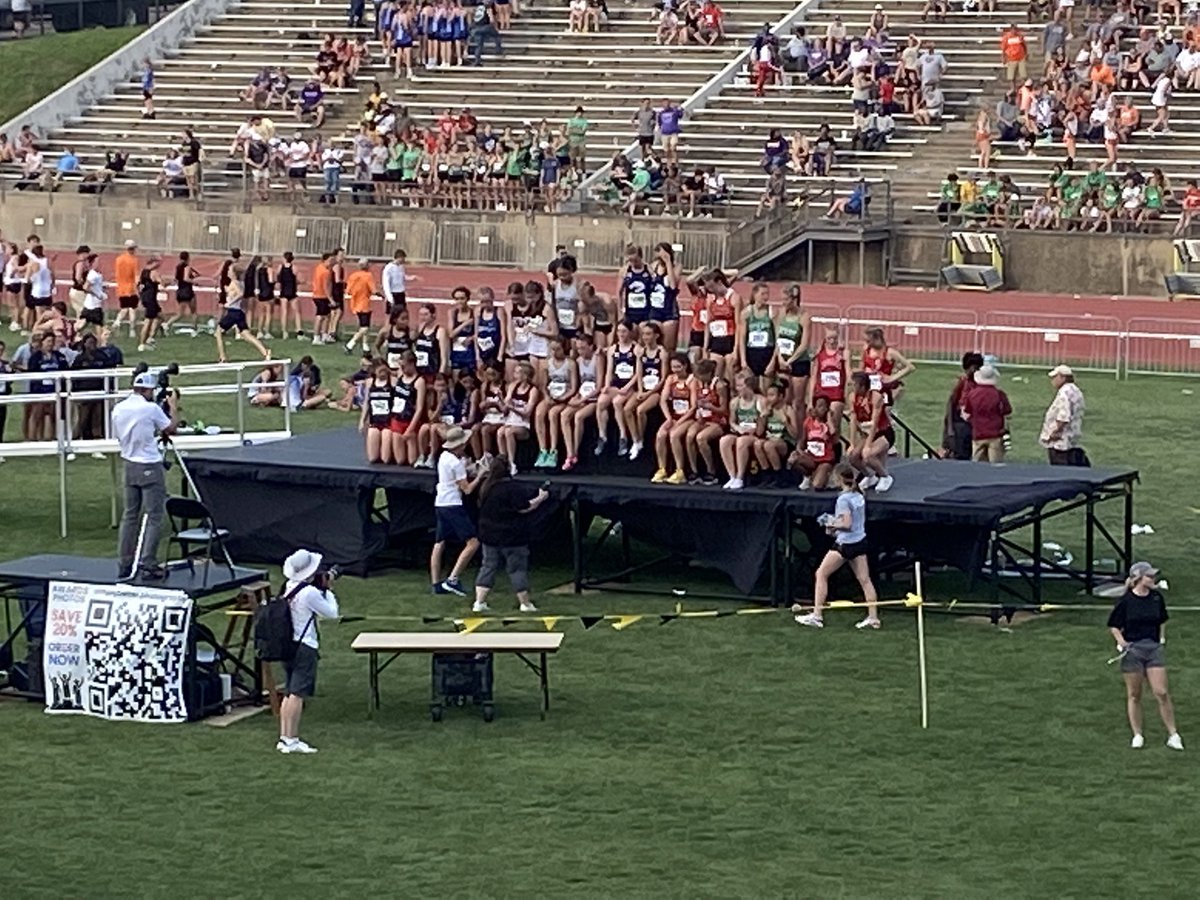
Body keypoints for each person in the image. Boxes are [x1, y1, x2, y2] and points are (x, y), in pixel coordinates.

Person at [793, 463, 880, 630]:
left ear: (839, 479)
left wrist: (831, 523)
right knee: (865, 580)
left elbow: (846, 523)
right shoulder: (859, 496)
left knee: (821, 574)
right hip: (860, 541)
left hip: (846, 544)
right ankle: (873, 617)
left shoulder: (843, 499)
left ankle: (817, 615)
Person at [1108, 561, 1183, 751]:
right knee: (1134, 694)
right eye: (1149, 576)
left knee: (1161, 692)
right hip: (1133, 650)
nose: (1153, 579)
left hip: (1153, 649)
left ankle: (1173, 734)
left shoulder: (1156, 598)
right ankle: (1138, 734)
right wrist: (1121, 642)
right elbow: (1114, 625)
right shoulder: (1126, 601)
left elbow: (1162, 620)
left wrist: (1161, 638)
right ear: (1139, 578)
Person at [112, 372, 177, 579]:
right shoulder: (150, 409)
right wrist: (174, 406)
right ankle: (148, 561)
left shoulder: (119, 408)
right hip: (148, 464)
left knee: (130, 515)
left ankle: (124, 561)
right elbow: (171, 428)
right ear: (149, 390)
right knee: (154, 516)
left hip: (129, 464)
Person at [277, 548, 340, 755]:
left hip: (289, 644)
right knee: (297, 694)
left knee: (289, 693)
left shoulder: (289, 586)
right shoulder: (309, 593)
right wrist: (328, 590)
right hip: (305, 646)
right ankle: (292, 739)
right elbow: (332, 613)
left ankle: (285, 737)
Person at [472, 455, 549, 613]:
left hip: (489, 534)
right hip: (512, 536)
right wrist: (540, 498)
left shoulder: (486, 487)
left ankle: (479, 602)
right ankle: (525, 604)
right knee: (517, 569)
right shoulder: (512, 488)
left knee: (488, 566)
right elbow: (524, 507)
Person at [430, 425, 484, 596]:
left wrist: (467, 468)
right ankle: (452, 580)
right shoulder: (455, 462)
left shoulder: (443, 457)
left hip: (440, 502)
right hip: (453, 504)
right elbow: (467, 489)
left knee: (440, 542)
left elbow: (455, 474)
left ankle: (436, 583)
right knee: (473, 542)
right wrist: (481, 474)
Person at [960, 363, 1011, 463]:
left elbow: (967, 412)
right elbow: (1007, 411)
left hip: (978, 434)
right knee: (995, 465)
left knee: (977, 463)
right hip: (995, 434)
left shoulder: (972, 394)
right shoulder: (999, 394)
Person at [1040, 364, 1088, 466]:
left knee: (1059, 470)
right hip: (1072, 437)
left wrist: (1054, 432)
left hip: (1061, 442)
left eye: (1055, 377)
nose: (1052, 381)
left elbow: (1063, 416)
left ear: (1062, 377)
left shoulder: (1064, 393)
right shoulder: (1076, 391)